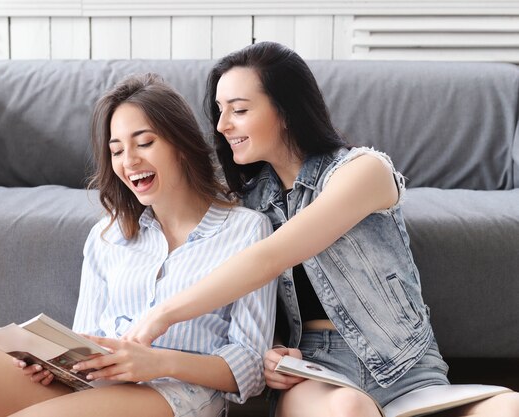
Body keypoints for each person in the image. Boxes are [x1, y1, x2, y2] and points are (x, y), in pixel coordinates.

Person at [124, 42, 519, 416]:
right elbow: (256, 309)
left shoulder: (364, 171)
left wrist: (163, 315)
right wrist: (275, 351)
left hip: (406, 366)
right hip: (315, 371)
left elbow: (271, 256)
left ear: (286, 111)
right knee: (350, 410)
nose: (223, 125)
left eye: (239, 110)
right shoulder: (249, 204)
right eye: (220, 111)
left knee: (509, 407)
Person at [0, 73, 277, 417]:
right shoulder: (108, 236)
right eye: (117, 151)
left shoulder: (246, 231)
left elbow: (249, 367)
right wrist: (55, 364)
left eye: (144, 142)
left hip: (178, 393)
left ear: (180, 144)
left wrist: (157, 362)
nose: (129, 161)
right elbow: (85, 339)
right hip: (96, 389)